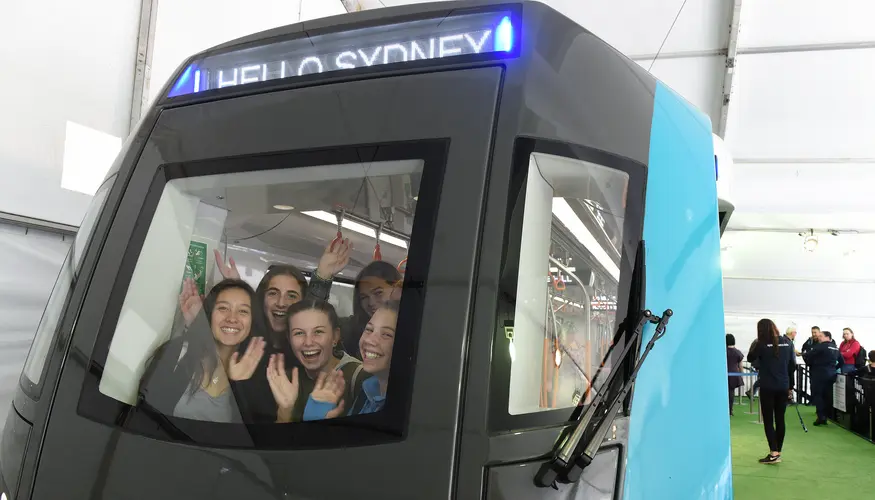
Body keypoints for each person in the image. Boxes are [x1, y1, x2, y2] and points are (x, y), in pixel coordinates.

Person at [137, 279, 267, 423]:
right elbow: (143, 417)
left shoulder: (258, 375)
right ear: (209, 314)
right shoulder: (176, 352)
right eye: (223, 308)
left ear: (252, 320)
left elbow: (252, 438)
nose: (232, 318)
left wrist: (239, 384)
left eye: (243, 311)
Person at [267, 299, 368, 423]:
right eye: (299, 333)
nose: (308, 342)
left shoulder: (361, 378)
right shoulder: (286, 380)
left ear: (335, 336)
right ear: (289, 339)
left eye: (318, 332)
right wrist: (285, 411)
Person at [304, 301, 400, 420]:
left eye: (386, 334)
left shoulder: (407, 409)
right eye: (369, 329)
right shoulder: (366, 391)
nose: (369, 340)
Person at [747, 319, 796, 464]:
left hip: (768, 385)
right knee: (780, 418)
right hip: (783, 385)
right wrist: (790, 385)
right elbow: (792, 365)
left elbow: (750, 358)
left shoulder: (761, 343)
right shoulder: (787, 343)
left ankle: (773, 452)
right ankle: (778, 451)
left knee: (768, 420)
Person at [802, 329, 841, 426]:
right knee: (828, 395)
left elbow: (808, 355)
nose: (818, 338)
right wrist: (833, 368)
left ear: (827, 337)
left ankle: (821, 417)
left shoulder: (820, 347)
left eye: (820, 336)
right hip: (831, 374)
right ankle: (828, 415)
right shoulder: (835, 348)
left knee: (818, 395)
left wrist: (810, 362)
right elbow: (842, 361)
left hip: (819, 374)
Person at [726, 334, 745, 416]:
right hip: (734, 374)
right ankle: (730, 410)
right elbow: (740, 365)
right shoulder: (738, 352)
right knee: (731, 393)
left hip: (724, 374)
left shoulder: (722, 351)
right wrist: (741, 374)